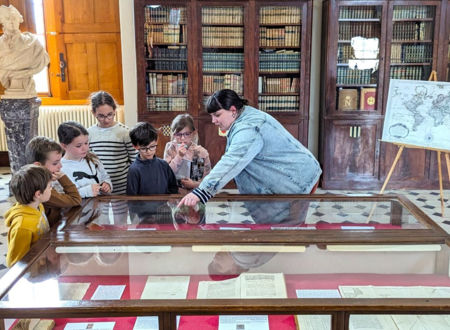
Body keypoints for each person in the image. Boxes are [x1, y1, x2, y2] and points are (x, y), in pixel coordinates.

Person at [179, 89, 322, 207]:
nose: (213, 121)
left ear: (233, 110)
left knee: (287, 230)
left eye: (217, 115)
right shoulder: (245, 114)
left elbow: (232, 161)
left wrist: (201, 192)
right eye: (211, 116)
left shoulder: (248, 128)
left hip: (297, 180)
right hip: (296, 175)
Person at [25, 136, 82, 226]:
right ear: (38, 166)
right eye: (55, 163)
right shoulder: (42, 189)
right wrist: (63, 177)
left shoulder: (32, 180)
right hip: (49, 234)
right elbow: (76, 199)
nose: (60, 166)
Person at [88, 91, 136, 195]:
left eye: (110, 115)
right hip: (100, 188)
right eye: (101, 116)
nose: (106, 120)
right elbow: (89, 161)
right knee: (100, 212)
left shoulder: (125, 132)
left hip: (122, 187)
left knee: (122, 212)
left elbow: (134, 160)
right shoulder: (89, 134)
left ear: (115, 110)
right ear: (93, 113)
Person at [4, 164, 52, 267]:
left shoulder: (39, 206)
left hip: (42, 261)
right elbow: (16, 261)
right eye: (50, 187)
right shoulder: (23, 226)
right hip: (32, 271)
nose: (51, 189)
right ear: (38, 194)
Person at [0, 5, 49, 98]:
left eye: (14, 18)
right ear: (3, 22)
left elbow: (44, 59)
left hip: (28, 91)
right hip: (12, 91)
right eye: (8, 19)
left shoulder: (32, 43)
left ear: (19, 20)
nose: (11, 22)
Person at [58, 121, 112, 198]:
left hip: (100, 206)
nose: (85, 148)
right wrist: (86, 191)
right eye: (78, 146)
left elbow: (105, 177)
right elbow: (62, 197)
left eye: (86, 143)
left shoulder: (93, 158)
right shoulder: (60, 168)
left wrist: (107, 185)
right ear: (64, 146)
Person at [126, 122, 178, 195]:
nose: (149, 151)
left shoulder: (164, 165)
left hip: (164, 205)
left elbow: (173, 188)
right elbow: (132, 198)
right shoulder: (134, 170)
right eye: (144, 148)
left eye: (152, 146)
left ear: (156, 141)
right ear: (135, 146)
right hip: (142, 206)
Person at [164, 114, 211, 189]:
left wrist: (194, 184)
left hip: (193, 195)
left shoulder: (200, 152)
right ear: (173, 134)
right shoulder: (171, 147)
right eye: (178, 134)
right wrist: (179, 156)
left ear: (193, 133)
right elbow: (167, 173)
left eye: (187, 134)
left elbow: (206, 180)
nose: (182, 138)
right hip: (173, 194)